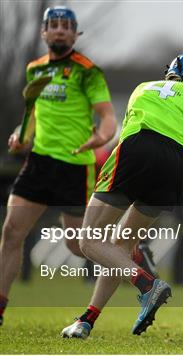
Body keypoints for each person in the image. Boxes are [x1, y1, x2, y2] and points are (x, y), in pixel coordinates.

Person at [60, 53, 183, 338]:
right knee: (121, 247)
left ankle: (146, 284)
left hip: (138, 147)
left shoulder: (142, 87)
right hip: (178, 164)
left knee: (89, 240)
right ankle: (87, 320)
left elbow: (125, 136)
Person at [0, 6, 116, 326]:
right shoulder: (34, 69)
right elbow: (32, 114)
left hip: (75, 166)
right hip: (38, 162)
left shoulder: (87, 71)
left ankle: (129, 255)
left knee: (79, 245)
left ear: (76, 33)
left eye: (67, 26)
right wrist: (19, 137)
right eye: (54, 25)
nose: (60, 30)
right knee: (11, 232)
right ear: (44, 32)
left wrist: (101, 139)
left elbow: (108, 118)